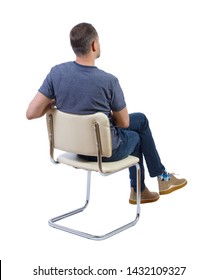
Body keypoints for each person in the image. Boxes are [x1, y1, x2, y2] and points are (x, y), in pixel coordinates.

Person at [26, 22, 187, 204]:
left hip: (76, 148)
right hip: (104, 152)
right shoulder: (109, 81)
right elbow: (124, 123)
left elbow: (31, 112)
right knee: (137, 135)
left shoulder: (56, 73)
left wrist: (59, 102)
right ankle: (145, 186)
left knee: (140, 120)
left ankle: (157, 179)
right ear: (94, 45)